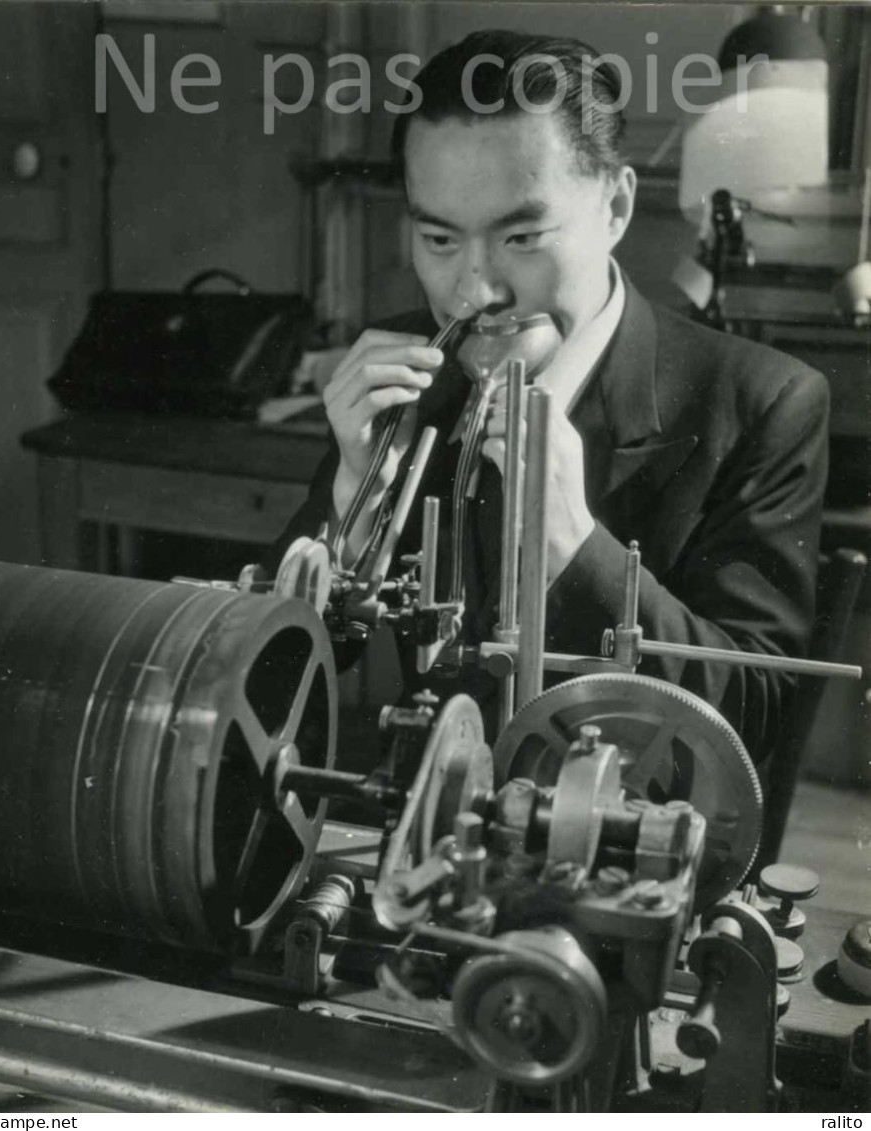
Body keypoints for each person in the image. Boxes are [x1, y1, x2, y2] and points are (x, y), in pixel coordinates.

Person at [271, 30, 829, 762]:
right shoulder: (408, 377)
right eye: (439, 241)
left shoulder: (763, 403)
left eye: (522, 236)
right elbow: (271, 676)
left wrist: (571, 543)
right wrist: (352, 503)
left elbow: (753, 725)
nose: (476, 292)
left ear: (616, 207)